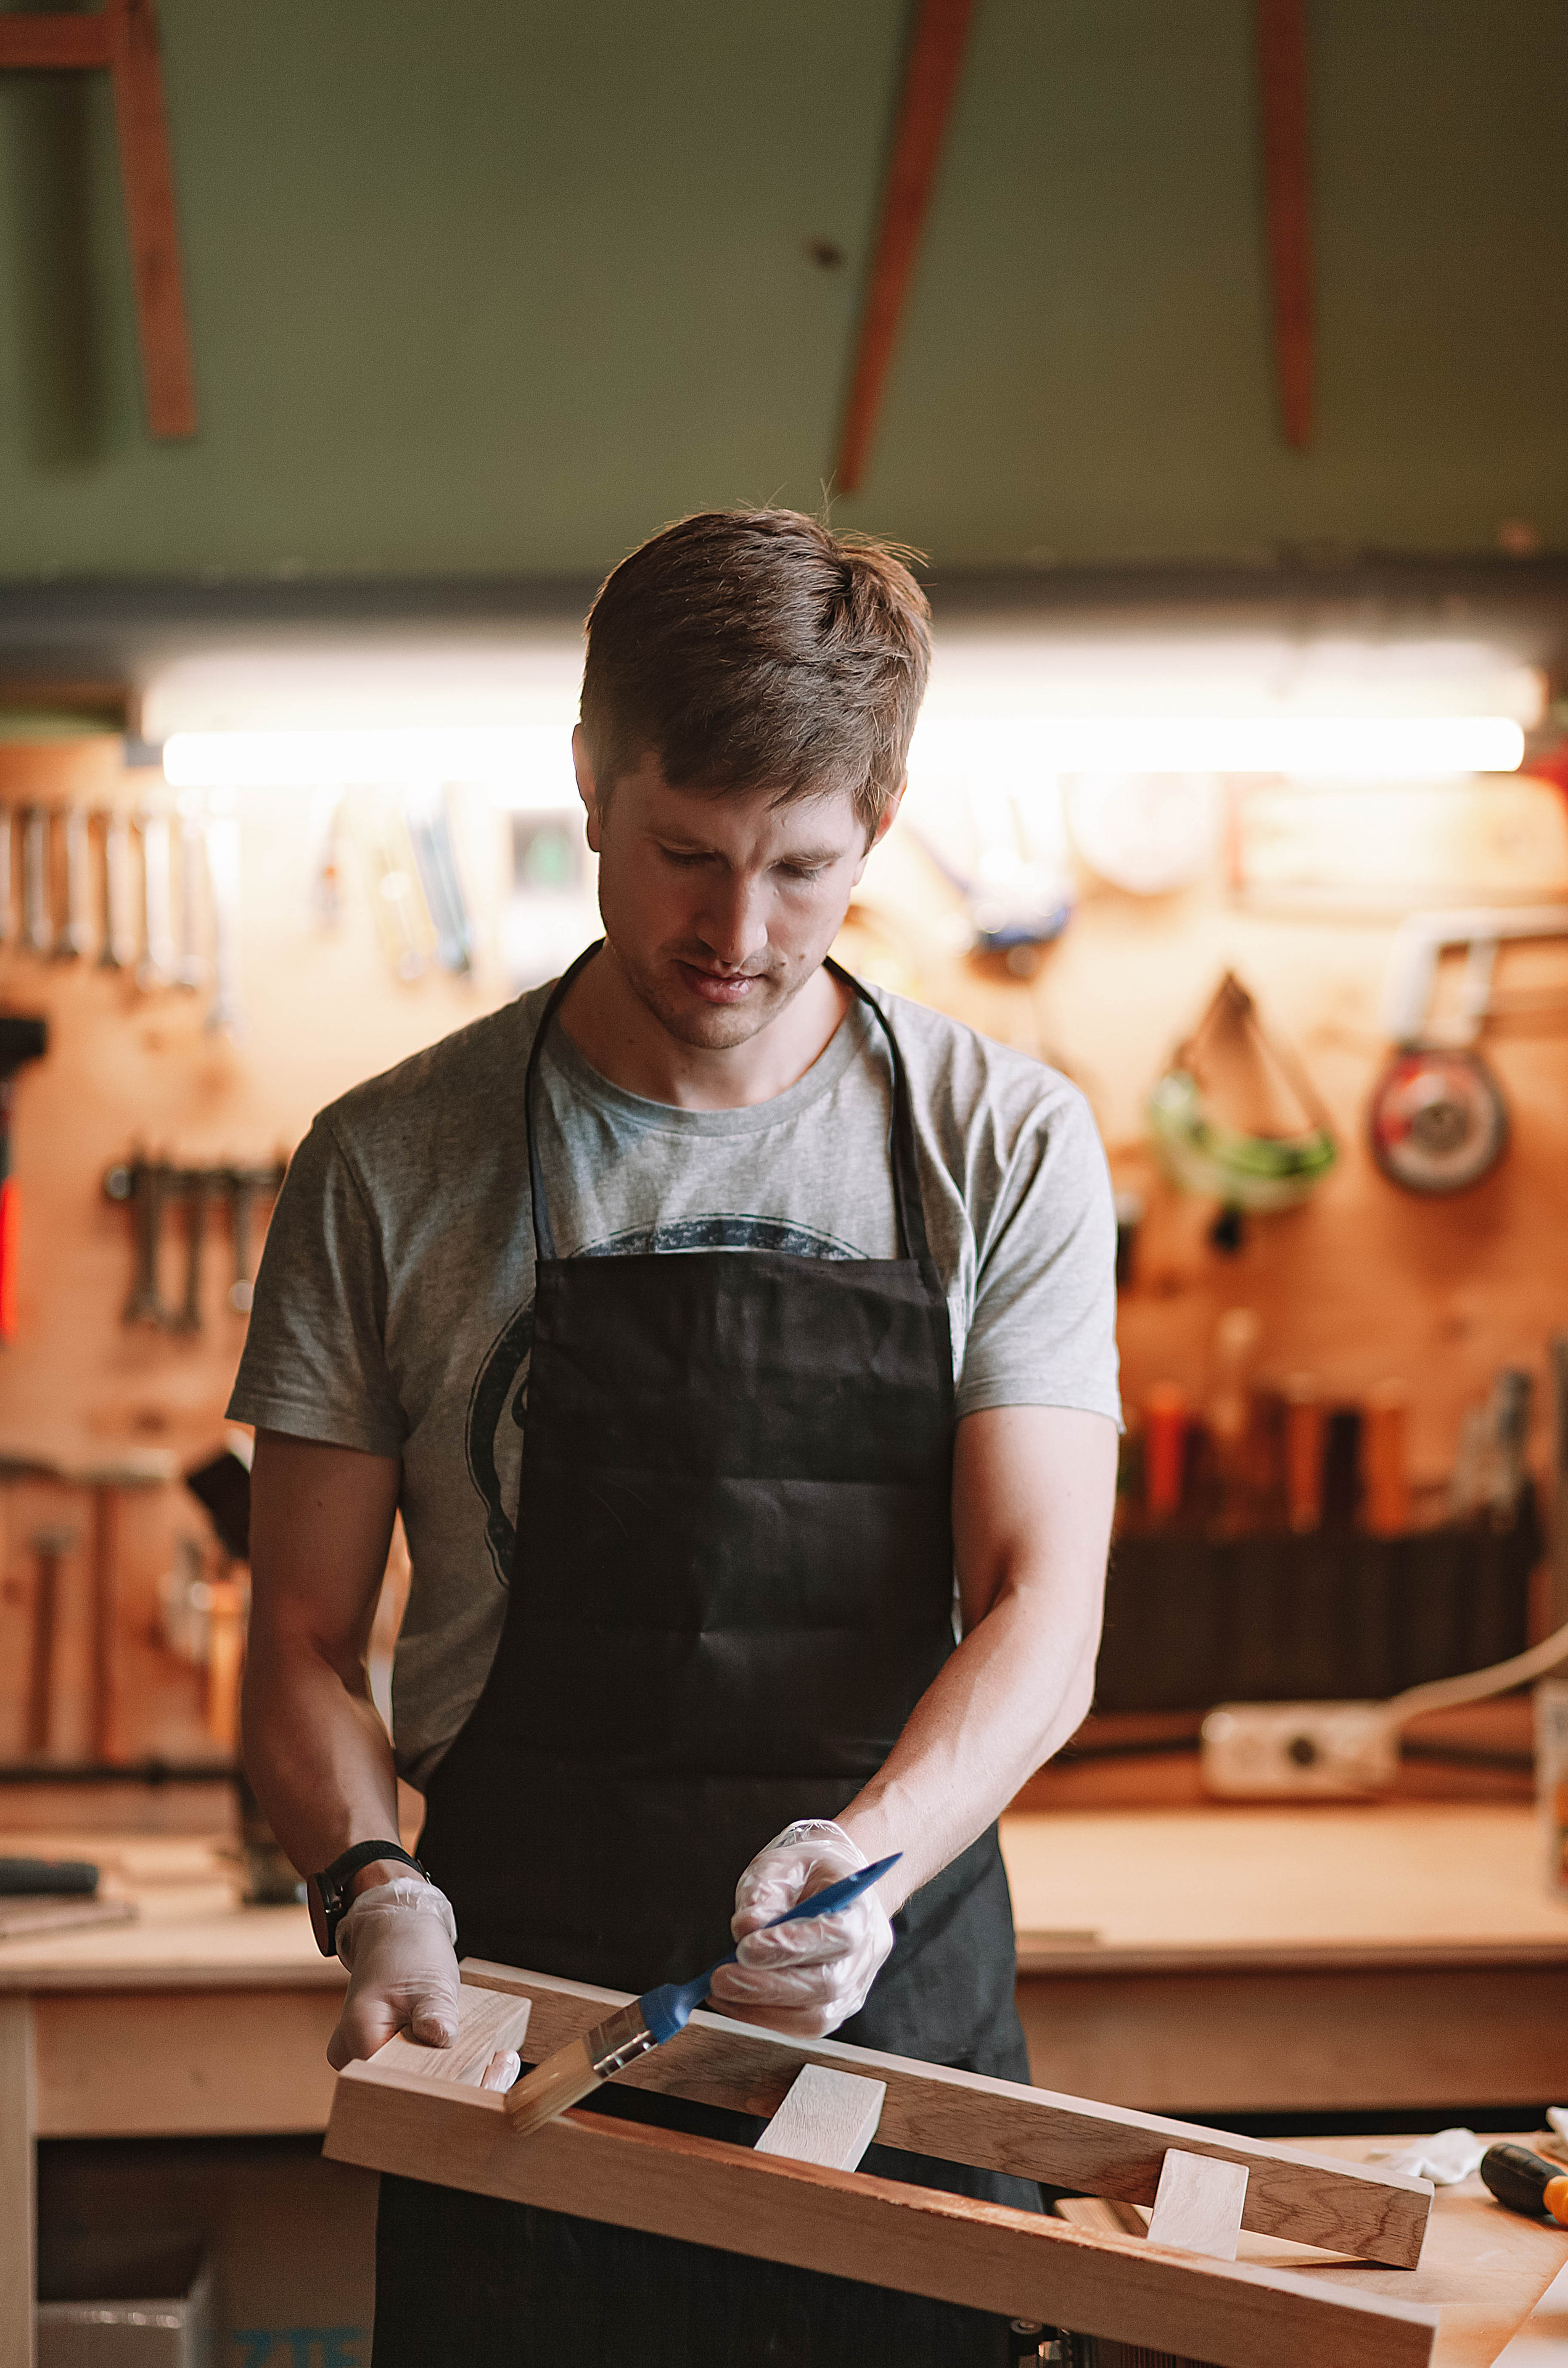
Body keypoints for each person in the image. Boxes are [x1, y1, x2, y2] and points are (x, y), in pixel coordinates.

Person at [236, 508, 1119, 2368]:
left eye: (802, 869)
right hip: (526, 2025)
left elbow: (1044, 1615)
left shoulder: (1005, 1141)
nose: (736, 932)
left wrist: (864, 1875)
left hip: (887, 2012)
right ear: (586, 782)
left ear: (881, 825)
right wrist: (367, 1884)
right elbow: (304, 1641)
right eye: (685, 856)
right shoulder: (391, 1162)